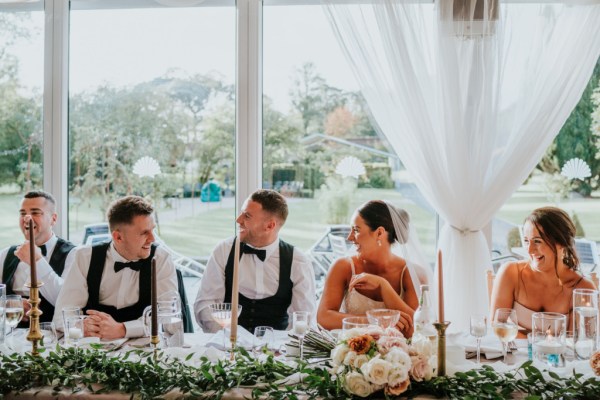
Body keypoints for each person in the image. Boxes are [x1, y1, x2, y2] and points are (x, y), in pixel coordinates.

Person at [53, 195, 178, 339]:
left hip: (143, 350)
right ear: (118, 237)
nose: (153, 239)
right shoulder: (85, 257)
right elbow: (62, 315)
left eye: (152, 230)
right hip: (93, 349)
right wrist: (80, 325)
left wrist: (123, 329)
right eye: (144, 233)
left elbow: (168, 320)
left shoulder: (161, 259)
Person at [194, 189, 317, 333]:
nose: (238, 220)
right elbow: (205, 305)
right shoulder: (224, 251)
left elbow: (304, 320)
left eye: (246, 216)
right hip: (227, 345)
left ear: (270, 226)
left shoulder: (298, 262)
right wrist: (228, 338)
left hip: (277, 350)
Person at [317, 200, 429, 338]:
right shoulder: (343, 267)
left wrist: (384, 286)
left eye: (356, 230)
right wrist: (374, 321)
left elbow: (415, 330)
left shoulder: (412, 274)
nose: (349, 237)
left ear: (379, 233)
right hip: (350, 354)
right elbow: (323, 318)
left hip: (396, 356)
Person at [490, 206, 596, 335]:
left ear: (561, 243)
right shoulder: (510, 273)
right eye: (526, 241)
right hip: (512, 355)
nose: (529, 250)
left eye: (537, 241)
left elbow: (581, 343)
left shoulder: (582, 289)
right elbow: (496, 327)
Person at [0, 190, 75, 326]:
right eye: (23, 213)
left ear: (53, 218)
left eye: (35, 212)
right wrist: (7, 303)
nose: (27, 218)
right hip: (10, 337)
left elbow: (66, 302)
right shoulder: (5, 254)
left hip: (53, 337)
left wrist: (37, 261)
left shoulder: (73, 254)